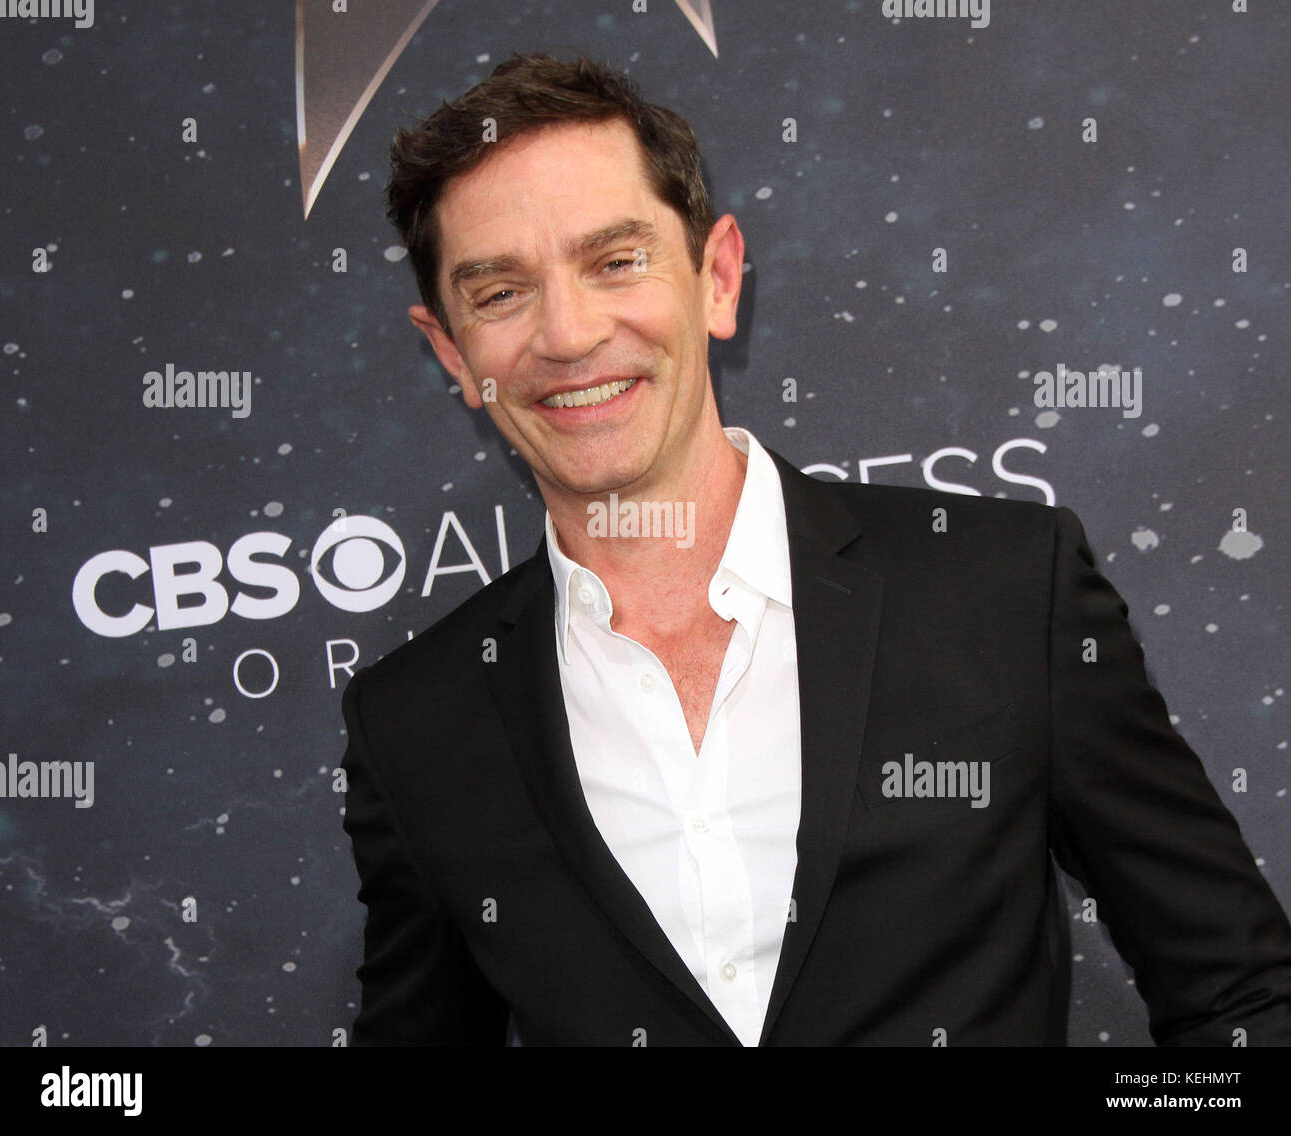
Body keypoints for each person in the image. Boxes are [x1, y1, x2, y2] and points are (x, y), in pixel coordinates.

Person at [339, 50, 1291, 1046]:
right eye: (500, 293)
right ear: (452, 352)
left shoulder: (1003, 590)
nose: (568, 333)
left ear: (716, 276)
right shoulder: (418, 723)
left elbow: (1244, 1000)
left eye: (615, 260)